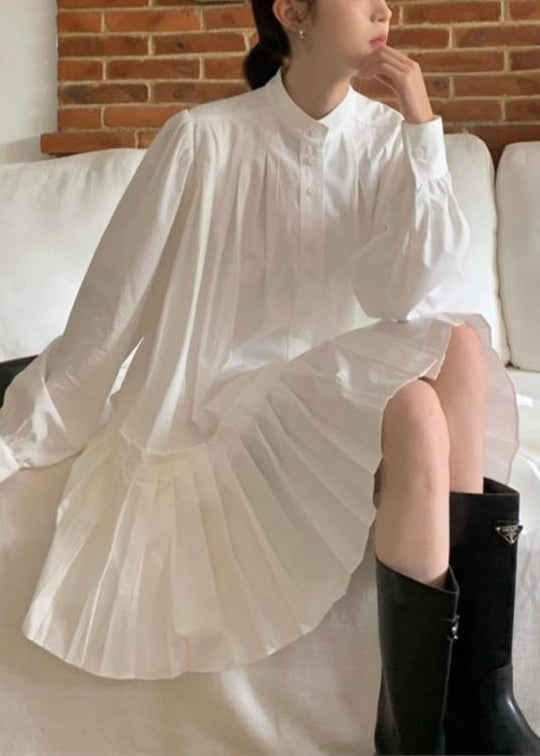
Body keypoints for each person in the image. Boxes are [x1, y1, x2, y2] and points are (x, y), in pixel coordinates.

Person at [0, 0, 538, 752]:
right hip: (229, 403)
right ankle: (438, 724)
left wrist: (421, 129)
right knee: (424, 398)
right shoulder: (203, 139)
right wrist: (25, 434)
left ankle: (466, 707)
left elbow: (409, 293)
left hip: (341, 399)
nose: (386, 8)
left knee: (454, 355)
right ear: (292, 12)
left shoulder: (388, 140)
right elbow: (116, 303)